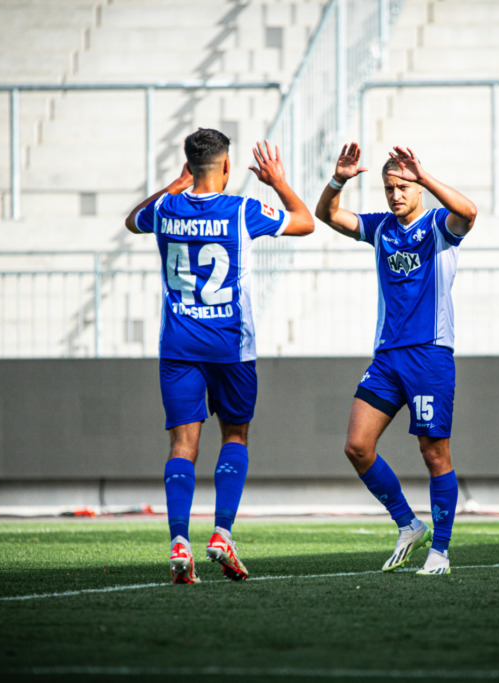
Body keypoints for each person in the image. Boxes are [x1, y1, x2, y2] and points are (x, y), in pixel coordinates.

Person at [125, 128, 314, 584]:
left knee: (182, 446)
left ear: (189, 166)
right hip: (231, 346)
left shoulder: (165, 209)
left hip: (179, 347)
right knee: (235, 435)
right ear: (227, 166)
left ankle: (178, 541)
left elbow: (132, 220)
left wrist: (176, 185)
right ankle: (222, 533)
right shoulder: (243, 210)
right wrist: (277, 182)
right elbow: (305, 221)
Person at [314, 142, 477, 575]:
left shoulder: (439, 224)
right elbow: (327, 215)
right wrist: (338, 181)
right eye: (390, 187)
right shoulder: (380, 228)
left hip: (429, 354)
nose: (396, 194)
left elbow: (469, 212)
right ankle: (408, 524)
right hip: (387, 357)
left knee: (434, 453)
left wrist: (425, 177)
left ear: (418, 188)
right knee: (357, 446)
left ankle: (440, 552)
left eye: (403, 186)